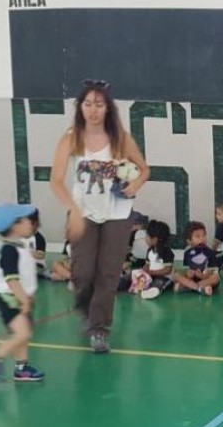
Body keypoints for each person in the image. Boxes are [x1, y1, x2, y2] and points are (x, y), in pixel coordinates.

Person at [49, 79, 150, 353]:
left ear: (108, 108)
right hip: (84, 212)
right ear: (80, 107)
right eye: (88, 104)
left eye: (99, 104)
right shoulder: (71, 138)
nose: (93, 110)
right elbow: (56, 180)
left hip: (117, 212)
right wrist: (73, 210)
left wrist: (136, 184)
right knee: (83, 271)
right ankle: (86, 307)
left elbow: (144, 169)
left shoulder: (121, 138)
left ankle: (100, 328)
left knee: (109, 271)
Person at [0, 203, 45, 382]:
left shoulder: (19, 246)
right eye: (27, 221)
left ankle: (21, 368)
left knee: (22, 335)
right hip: (10, 299)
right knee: (23, 334)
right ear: (15, 225)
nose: (32, 224)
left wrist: (28, 295)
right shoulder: (9, 250)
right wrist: (24, 300)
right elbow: (11, 279)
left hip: (19, 297)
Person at [174, 221, 220, 296]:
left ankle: (189, 287)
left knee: (216, 278)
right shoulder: (187, 253)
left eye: (204, 235)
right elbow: (186, 270)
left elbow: (211, 271)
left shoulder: (210, 252)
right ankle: (199, 288)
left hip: (205, 279)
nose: (202, 238)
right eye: (198, 236)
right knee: (176, 275)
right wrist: (189, 274)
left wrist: (202, 275)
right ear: (189, 241)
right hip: (192, 280)